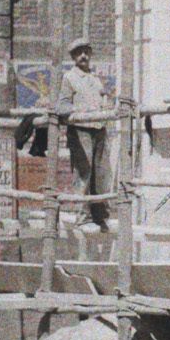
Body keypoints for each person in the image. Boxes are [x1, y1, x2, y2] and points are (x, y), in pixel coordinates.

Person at [57, 35, 112, 230]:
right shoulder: (69, 77)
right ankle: (83, 214)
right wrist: (79, 112)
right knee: (84, 172)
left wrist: (106, 104)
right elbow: (62, 105)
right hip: (81, 131)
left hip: (99, 129)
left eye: (86, 52)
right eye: (79, 53)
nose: (83, 56)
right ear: (73, 57)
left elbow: (103, 98)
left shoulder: (95, 78)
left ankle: (100, 215)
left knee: (101, 172)